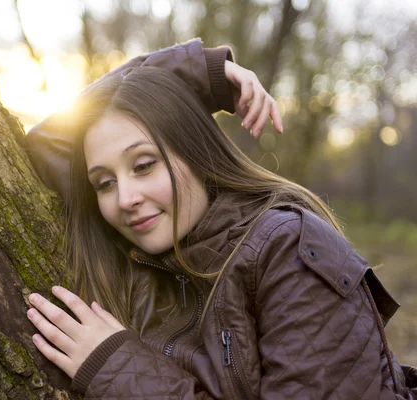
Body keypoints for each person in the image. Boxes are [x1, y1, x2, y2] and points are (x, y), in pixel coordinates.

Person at [24, 39, 417, 399]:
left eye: (144, 165)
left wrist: (120, 371)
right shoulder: (145, 267)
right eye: (104, 183)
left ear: (195, 151)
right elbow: (44, 144)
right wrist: (197, 73)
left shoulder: (288, 250)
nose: (125, 198)